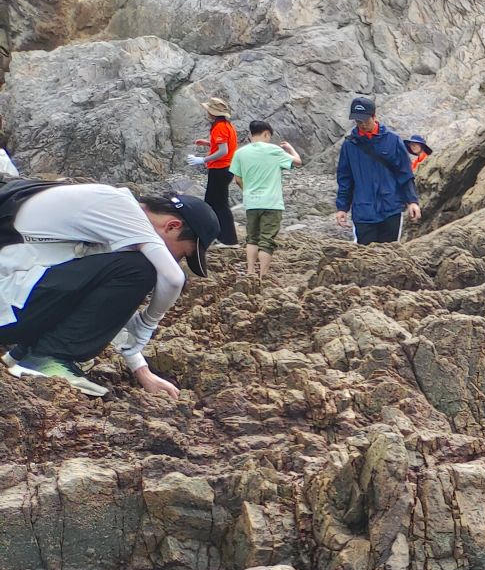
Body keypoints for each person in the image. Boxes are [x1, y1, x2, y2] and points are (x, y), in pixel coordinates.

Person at [0, 182, 217, 398]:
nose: (175, 260)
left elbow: (98, 306)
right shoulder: (121, 207)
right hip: (8, 305)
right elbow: (173, 278)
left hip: (11, 305)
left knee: (129, 269)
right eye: (181, 254)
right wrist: (147, 324)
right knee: (142, 269)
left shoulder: (111, 220)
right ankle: (46, 358)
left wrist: (141, 370)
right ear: (172, 226)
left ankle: (25, 354)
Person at [334, 97, 420, 244]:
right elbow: (345, 179)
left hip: (391, 208)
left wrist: (412, 201)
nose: (362, 124)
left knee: (390, 253)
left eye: (365, 120)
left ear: (374, 116)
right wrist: (342, 207)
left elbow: (405, 173)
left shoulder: (393, 140)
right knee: (363, 255)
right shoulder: (349, 145)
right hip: (363, 212)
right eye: (358, 121)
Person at [229, 121, 300, 281]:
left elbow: (237, 180)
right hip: (272, 203)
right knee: (266, 240)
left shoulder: (240, 153)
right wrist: (290, 148)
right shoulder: (274, 150)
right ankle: (263, 275)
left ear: (251, 134)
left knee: (252, 237)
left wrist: (247, 191)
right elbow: (297, 162)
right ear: (266, 133)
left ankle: (250, 272)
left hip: (252, 202)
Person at [188, 97, 240, 250]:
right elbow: (225, 145)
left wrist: (202, 160)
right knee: (213, 203)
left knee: (219, 205)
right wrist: (207, 143)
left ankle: (229, 240)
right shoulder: (227, 125)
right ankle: (219, 236)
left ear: (212, 113)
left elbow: (223, 151)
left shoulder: (219, 127)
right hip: (226, 168)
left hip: (220, 169)